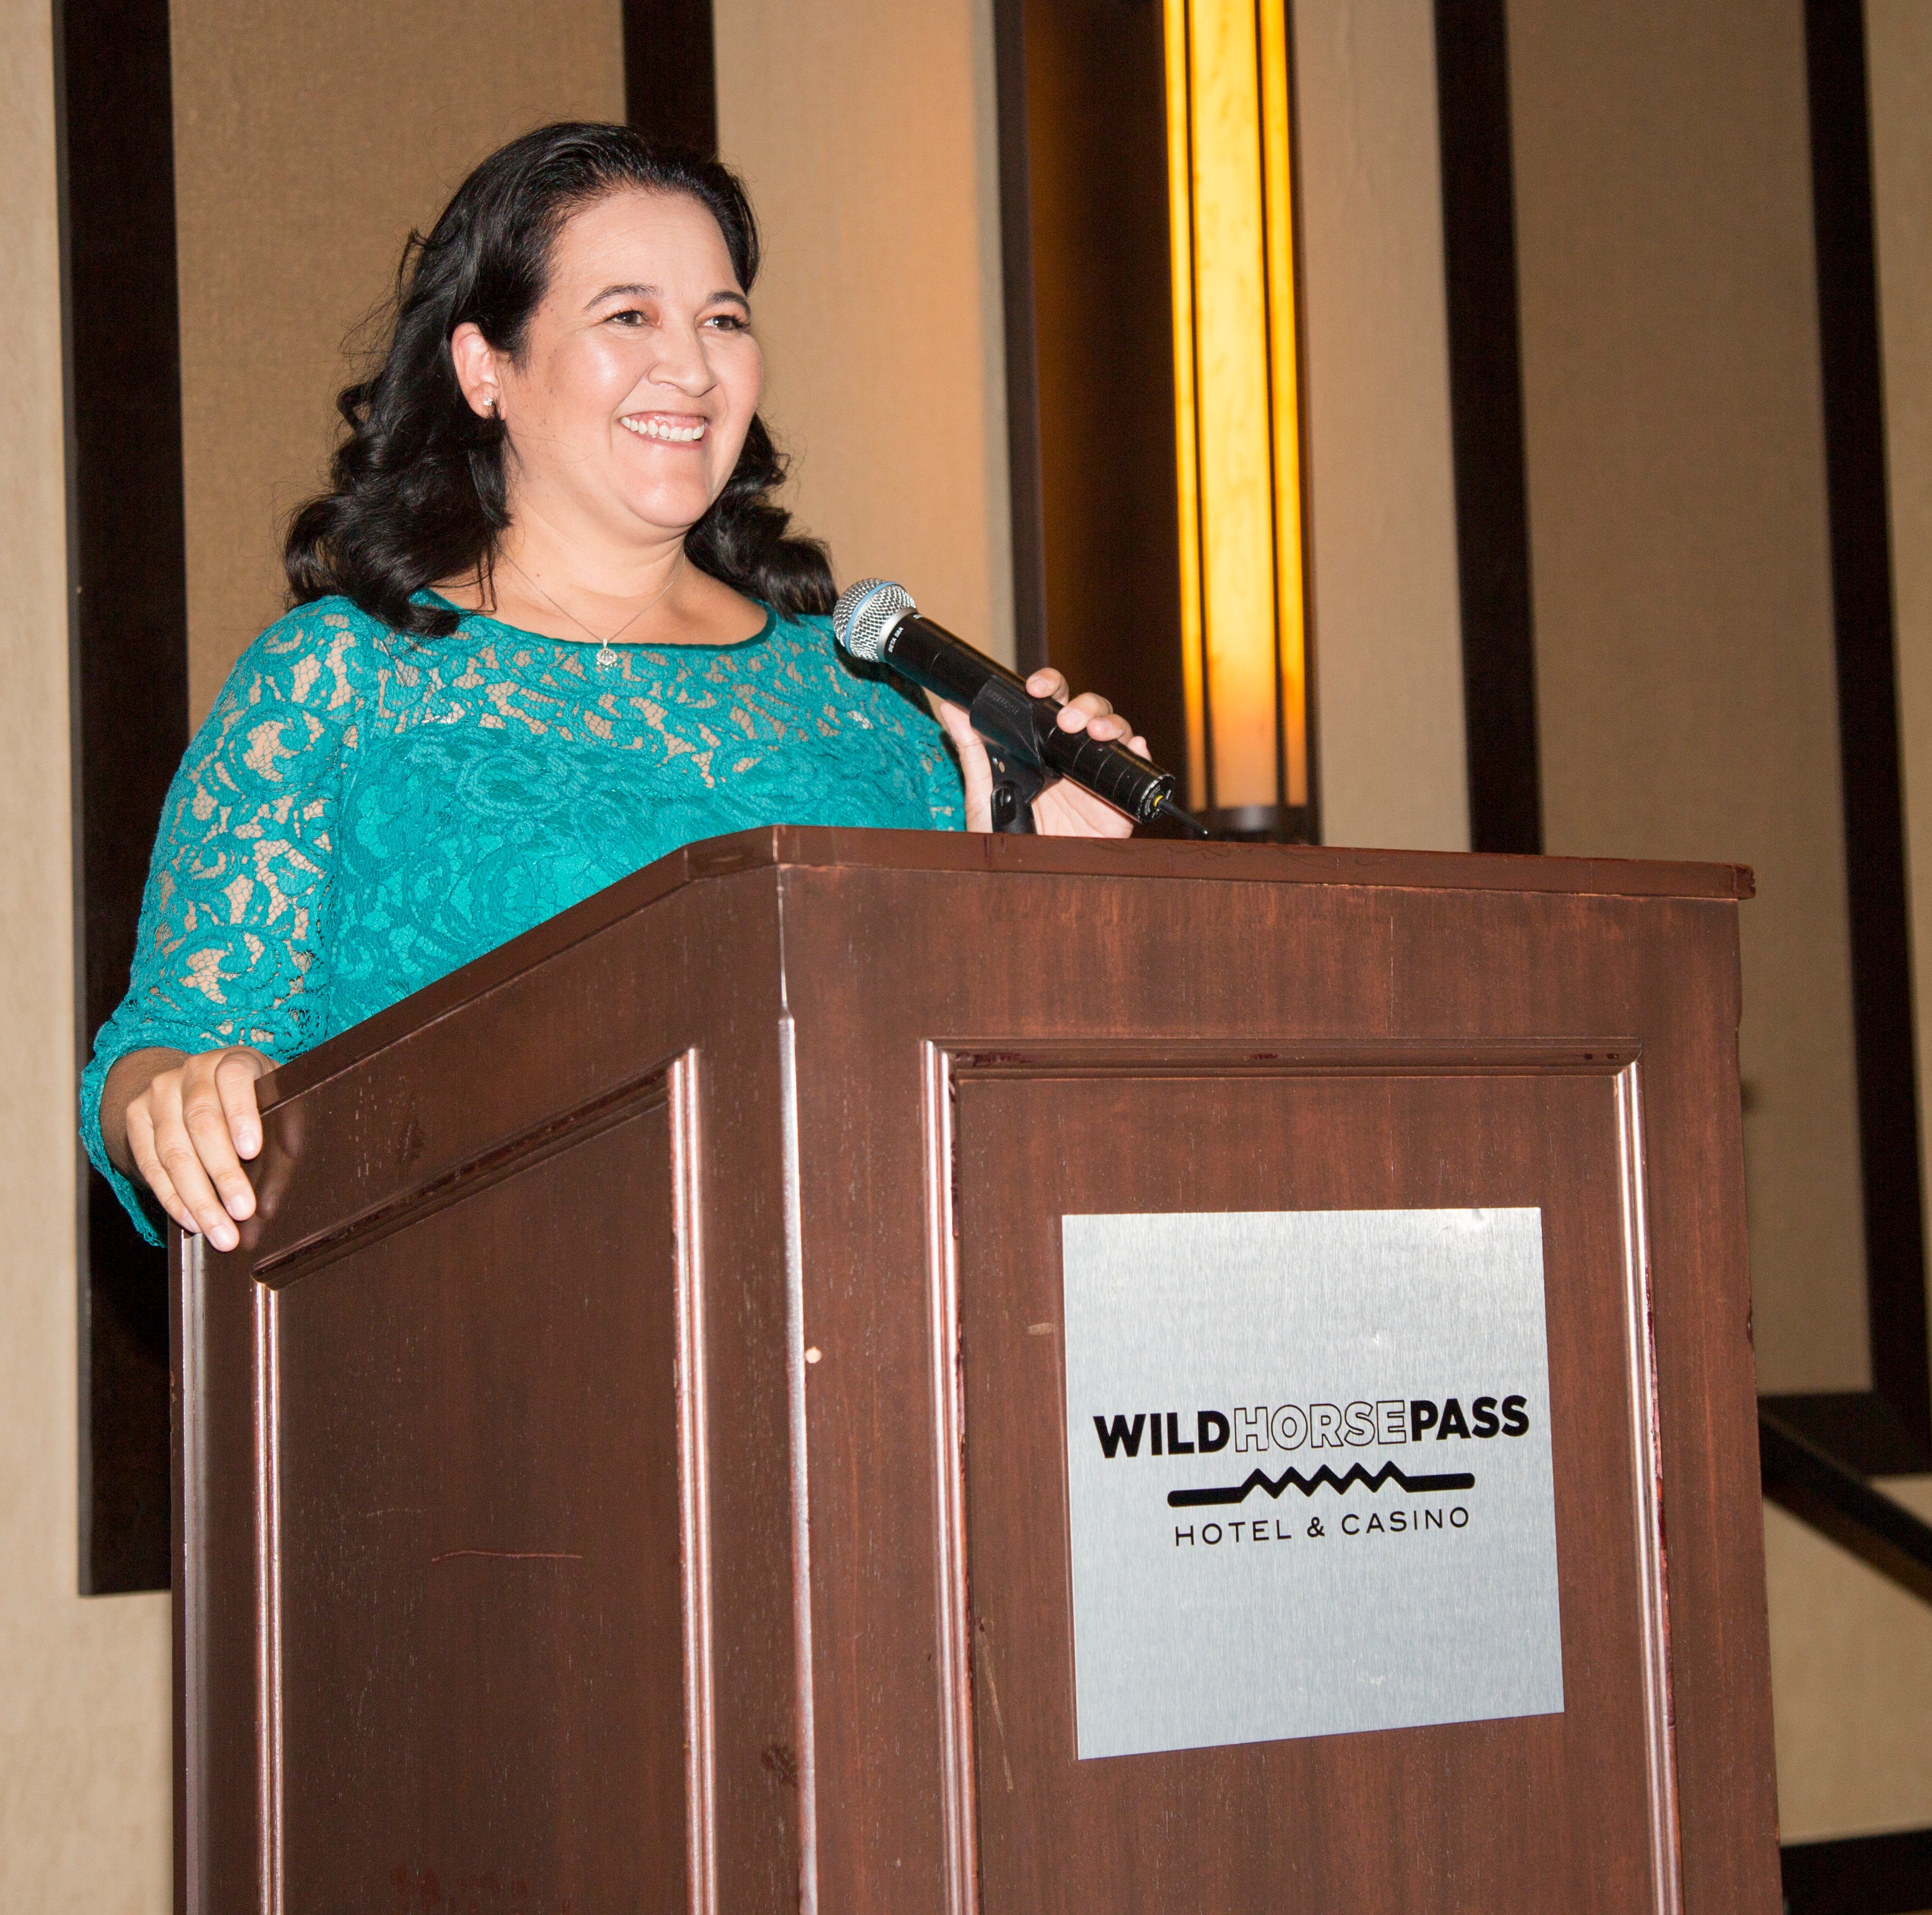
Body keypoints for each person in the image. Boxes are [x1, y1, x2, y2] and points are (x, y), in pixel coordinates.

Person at [82, 123, 1143, 1252]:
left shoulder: (876, 700)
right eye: (627, 315)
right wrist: (178, 1094)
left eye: (722, 320)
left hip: (857, 1307)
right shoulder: (339, 680)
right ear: (486, 366)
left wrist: (1056, 896)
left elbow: (984, 1084)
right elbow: (167, 1044)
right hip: (481, 1337)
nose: (690, 366)